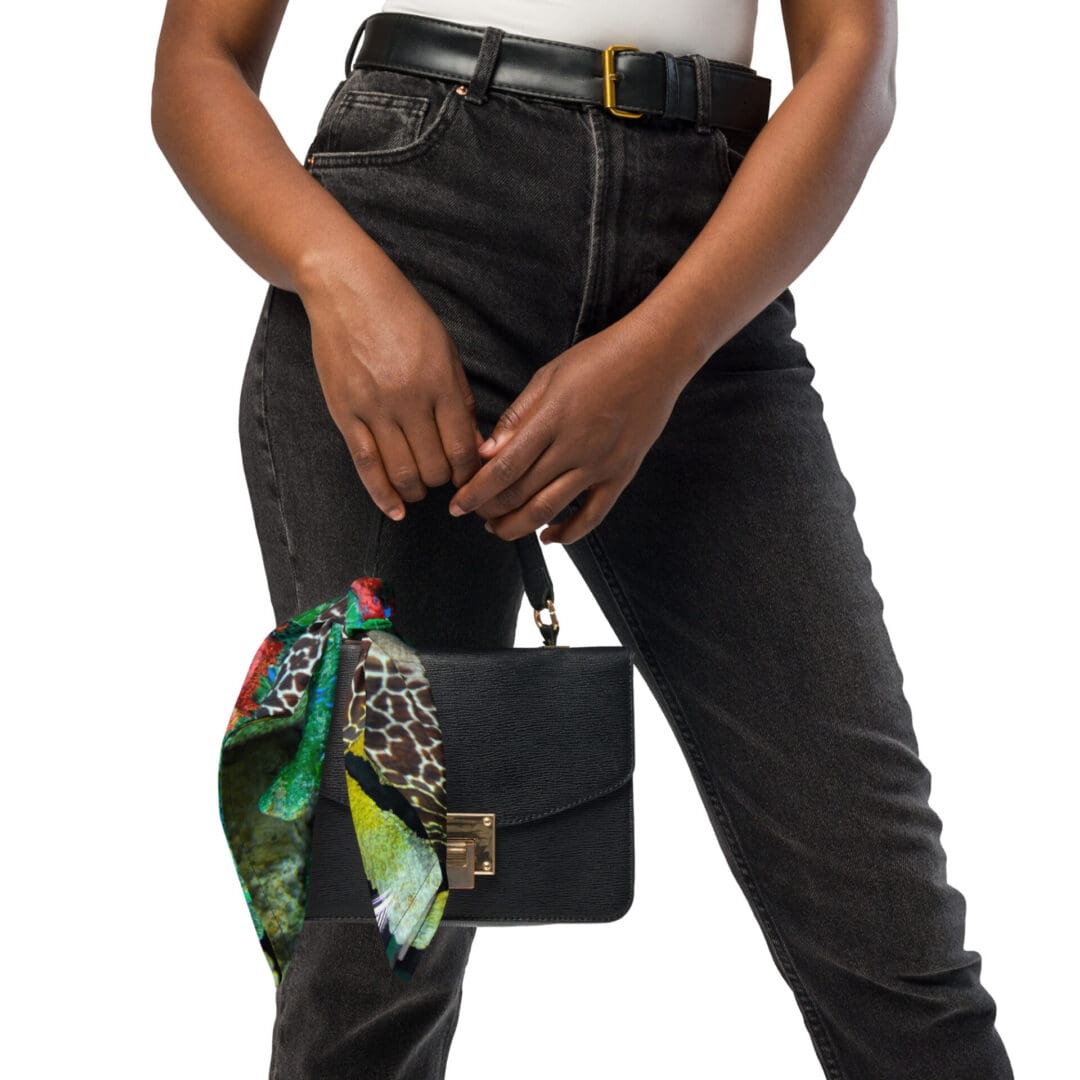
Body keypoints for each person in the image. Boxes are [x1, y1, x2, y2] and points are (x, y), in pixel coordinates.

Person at [151, 3, 1016, 1078]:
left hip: (710, 270)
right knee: (378, 954)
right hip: (410, 259)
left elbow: (852, 60)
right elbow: (197, 62)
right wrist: (336, 276)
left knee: (888, 931)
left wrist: (666, 349)